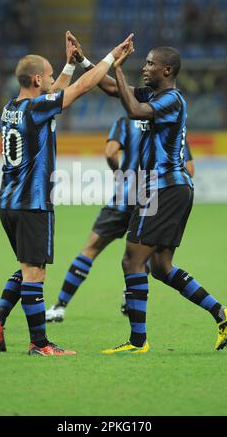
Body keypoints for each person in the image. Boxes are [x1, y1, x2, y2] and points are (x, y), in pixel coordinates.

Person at [67, 35, 227, 353]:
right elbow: (110, 89)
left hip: (165, 188)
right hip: (162, 189)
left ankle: (138, 342)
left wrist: (118, 67)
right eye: (144, 62)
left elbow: (133, 110)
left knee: (132, 260)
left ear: (168, 70)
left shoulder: (171, 100)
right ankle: (222, 314)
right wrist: (86, 63)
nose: (144, 68)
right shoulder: (154, 94)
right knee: (160, 267)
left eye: (150, 63)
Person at [0, 31, 134, 357]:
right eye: (50, 75)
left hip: (7, 201)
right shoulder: (37, 108)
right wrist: (110, 57)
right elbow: (80, 88)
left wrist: (67, 64)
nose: (54, 80)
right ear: (37, 79)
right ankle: (40, 343)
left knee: (27, 266)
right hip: (32, 202)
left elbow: (54, 93)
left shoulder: (11, 107)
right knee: (35, 273)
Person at [45, 114, 194, 322]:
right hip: (152, 198)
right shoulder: (170, 123)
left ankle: (60, 306)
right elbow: (189, 169)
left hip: (124, 198)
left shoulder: (125, 122)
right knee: (144, 255)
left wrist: (122, 174)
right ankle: (130, 294)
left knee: (91, 248)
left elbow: (110, 152)